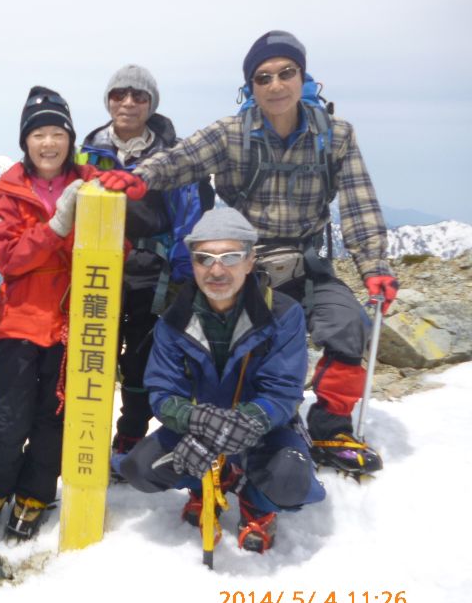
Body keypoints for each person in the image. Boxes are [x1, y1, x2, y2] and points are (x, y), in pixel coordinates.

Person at [100, 31, 398, 476]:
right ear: (251, 86)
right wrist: (142, 178)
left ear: (303, 76)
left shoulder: (335, 136)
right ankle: (238, 423)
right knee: (235, 342)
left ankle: (330, 428)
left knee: (348, 325)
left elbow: (358, 201)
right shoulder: (231, 134)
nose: (276, 85)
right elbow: (182, 159)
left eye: (286, 73)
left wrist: (374, 266)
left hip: (305, 261)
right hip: (243, 264)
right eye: (264, 77)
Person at [118, 208, 326, 552]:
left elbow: (282, 393)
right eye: (204, 258)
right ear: (193, 263)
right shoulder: (174, 320)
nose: (216, 269)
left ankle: (256, 501)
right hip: (196, 432)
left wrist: (235, 426)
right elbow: (163, 391)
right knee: (140, 468)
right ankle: (207, 484)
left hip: (264, 432)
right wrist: (198, 421)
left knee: (290, 478)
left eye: (230, 257)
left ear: (249, 260)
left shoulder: (282, 314)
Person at [0, 86, 99, 538]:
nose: (49, 143)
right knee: (9, 415)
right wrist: (58, 228)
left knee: (56, 414)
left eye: (57, 133)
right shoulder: (10, 191)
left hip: (75, 322)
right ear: (26, 142)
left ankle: (36, 492)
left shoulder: (93, 184)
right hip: (20, 322)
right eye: (39, 134)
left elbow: (113, 243)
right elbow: (8, 259)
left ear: (70, 138)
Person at [79, 65, 211, 459]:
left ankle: (130, 434)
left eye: (139, 96)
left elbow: (191, 215)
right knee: (94, 353)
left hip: (152, 274)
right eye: (120, 94)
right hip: (96, 268)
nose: (128, 103)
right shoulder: (87, 151)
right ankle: (86, 434)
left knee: (139, 358)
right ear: (108, 100)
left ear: (151, 104)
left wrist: (185, 278)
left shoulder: (173, 155)